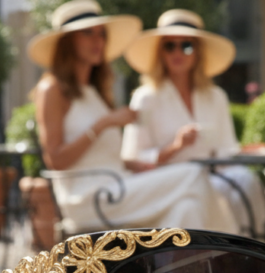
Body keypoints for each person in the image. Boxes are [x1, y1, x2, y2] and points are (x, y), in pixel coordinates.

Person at [28, 0, 239, 236]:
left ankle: (178, 261)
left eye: (101, 33)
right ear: (68, 41)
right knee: (193, 174)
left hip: (118, 185)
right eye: (88, 33)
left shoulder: (95, 92)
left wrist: (135, 165)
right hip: (89, 198)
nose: (98, 41)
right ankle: (236, 251)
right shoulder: (52, 89)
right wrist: (105, 123)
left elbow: (102, 157)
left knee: (187, 208)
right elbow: (55, 160)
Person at [120, 9, 265, 238]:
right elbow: (134, 159)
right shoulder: (145, 97)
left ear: (198, 52)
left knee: (248, 181)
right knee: (193, 203)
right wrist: (176, 147)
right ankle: (232, 250)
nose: (178, 52)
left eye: (186, 45)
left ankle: (262, 248)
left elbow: (226, 151)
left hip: (215, 178)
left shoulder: (216, 96)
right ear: (160, 52)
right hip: (167, 184)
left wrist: (244, 152)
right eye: (170, 46)